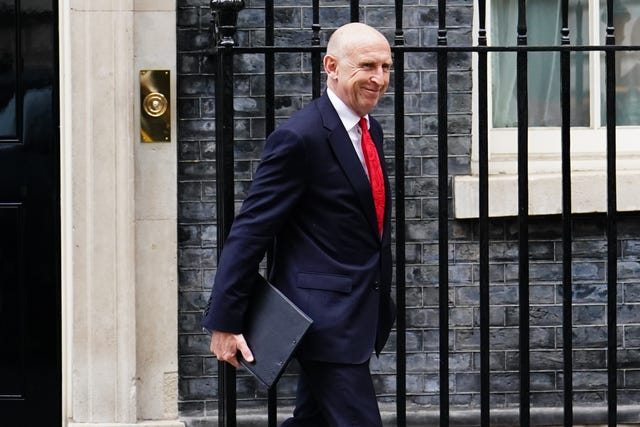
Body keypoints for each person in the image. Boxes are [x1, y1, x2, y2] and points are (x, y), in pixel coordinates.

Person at [202, 22, 396, 426]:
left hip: (356, 311)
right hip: (322, 320)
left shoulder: (369, 130)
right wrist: (225, 320)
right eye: (367, 66)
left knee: (312, 420)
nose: (379, 79)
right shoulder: (299, 138)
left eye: (386, 66)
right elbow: (251, 230)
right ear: (332, 66)